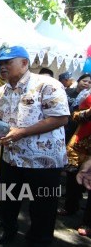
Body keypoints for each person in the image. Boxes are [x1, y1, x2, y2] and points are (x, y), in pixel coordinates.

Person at [0, 45, 70, 245]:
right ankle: (8, 232)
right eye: (0, 64)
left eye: (8, 62)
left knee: (43, 208)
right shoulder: (0, 91)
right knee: (7, 202)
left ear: (24, 63)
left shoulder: (47, 84)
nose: (3, 68)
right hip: (11, 159)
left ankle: (39, 240)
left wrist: (22, 132)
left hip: (45, 163)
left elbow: (60, 118)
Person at [59, 88, 91, 236]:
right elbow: (75, 116)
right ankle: (71, 206)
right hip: (81, 144)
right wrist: (88, 113)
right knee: (73, 178)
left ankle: (88, 222)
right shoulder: (87, 97)